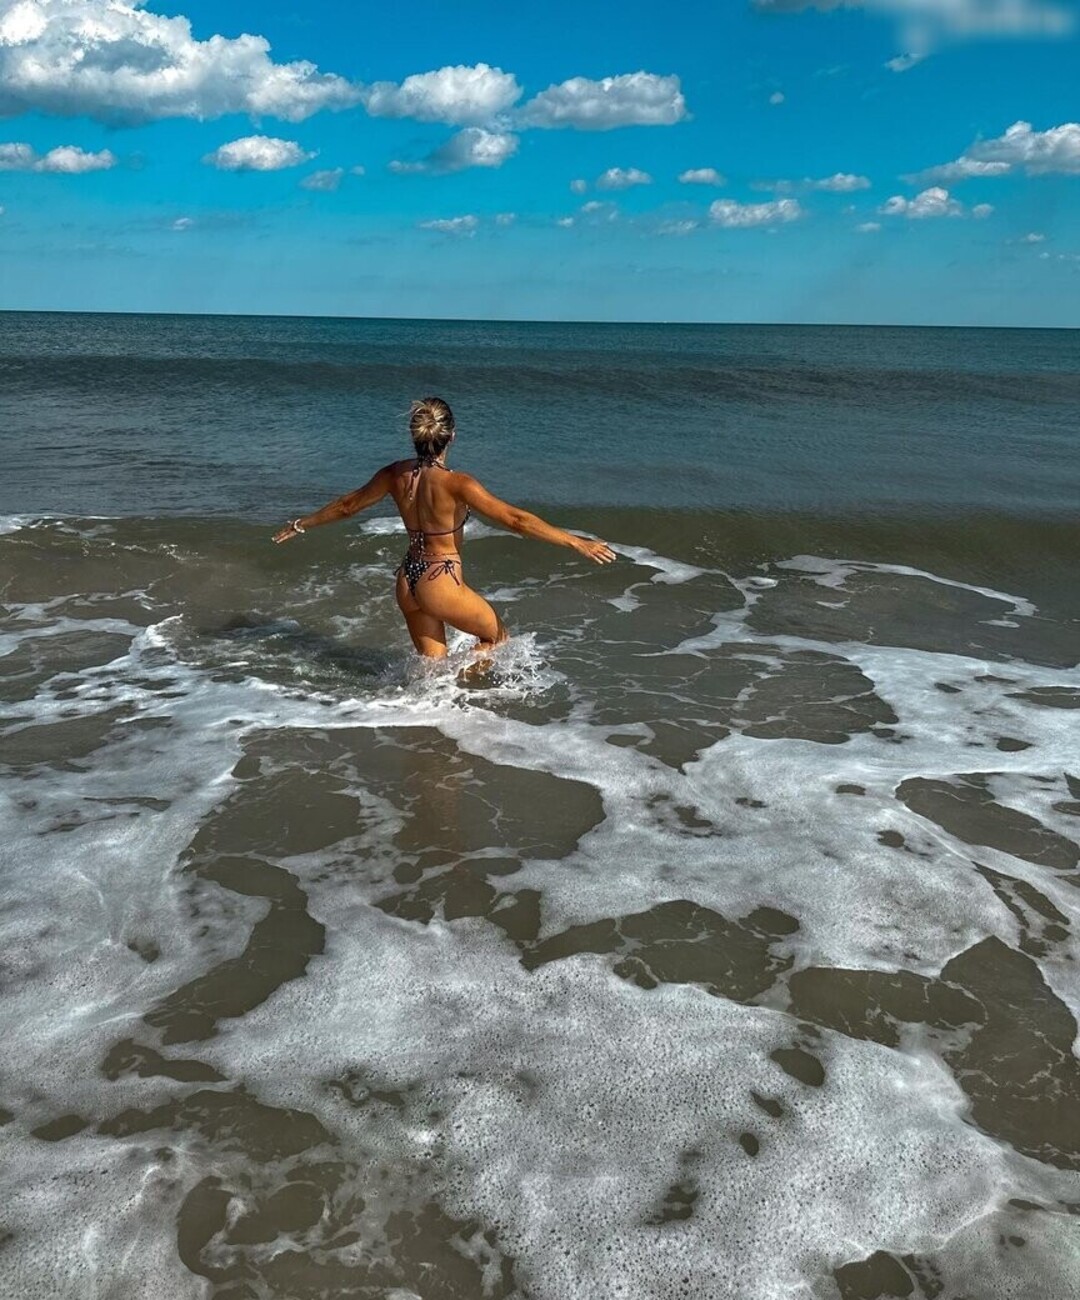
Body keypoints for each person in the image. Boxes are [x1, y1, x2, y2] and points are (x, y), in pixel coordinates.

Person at [273, 397, 616, 658]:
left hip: (407, 581)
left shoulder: (394, 474)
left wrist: (301, 524)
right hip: (441, 580)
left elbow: (348, 506)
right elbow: (516, 520)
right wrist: (576, 542)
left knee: (432, 675)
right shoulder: (458, 484)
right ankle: (459, 700)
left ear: (415, 436)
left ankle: (428, 719)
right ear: (452, 436)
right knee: (498, 640)